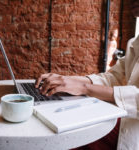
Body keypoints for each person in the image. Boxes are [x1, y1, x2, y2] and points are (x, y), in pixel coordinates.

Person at [35, 0, 139, 149]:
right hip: (124, 122)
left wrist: (85, 88)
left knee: (66, 140)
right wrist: (66, 80)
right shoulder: (134, 42)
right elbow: (113, 77)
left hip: (132, 131)